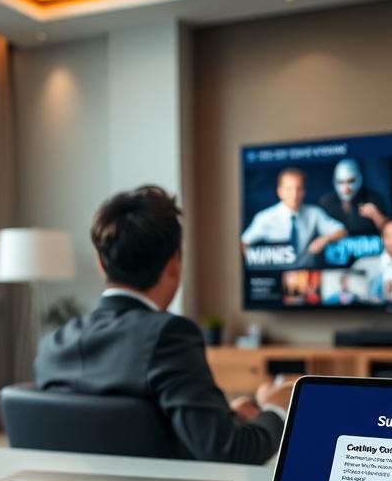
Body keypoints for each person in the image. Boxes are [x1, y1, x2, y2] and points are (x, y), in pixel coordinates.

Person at [35, 185, 291, 465]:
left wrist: (222, 418)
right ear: (174, 263)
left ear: (100, 263)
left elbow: (119, 432)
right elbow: (230, 451)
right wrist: (275, 410)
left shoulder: (53, 344)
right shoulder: (168, 335)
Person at [241, 167, 346, 263]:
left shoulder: (314, 213)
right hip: (277, 276)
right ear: (279, 191)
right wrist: (255, 262)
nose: (294, 194)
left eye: (299, 188)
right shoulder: (264, 218)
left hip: (308, 276)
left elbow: (342, 231)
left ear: (304, 191)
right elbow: (243, 243)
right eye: (289, 189)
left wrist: (325, 239)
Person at [318, 158, 389, 237]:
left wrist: (376, 215)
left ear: (359, 179)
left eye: (351, 181)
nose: (346, 188)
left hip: (371, 248)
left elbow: (391, 232)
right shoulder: (326, 202)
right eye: (341, 182)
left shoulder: (373, 198)